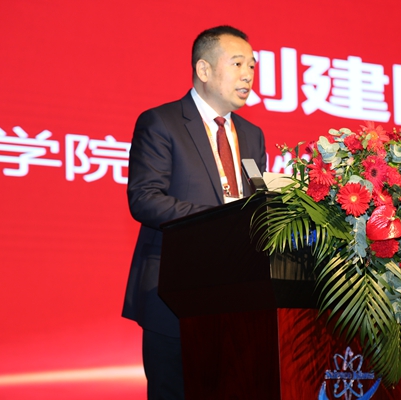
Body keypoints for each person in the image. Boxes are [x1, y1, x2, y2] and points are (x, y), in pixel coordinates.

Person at [122, 26, 267, 400]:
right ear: (203, 69)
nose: (248, 75)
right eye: (237, 64)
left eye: (252, 66)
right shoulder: (162, 122)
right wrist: (221, 220)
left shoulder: (252, 135)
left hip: (238, 297)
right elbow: (145, 199)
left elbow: (255, 204)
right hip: (175, 290)